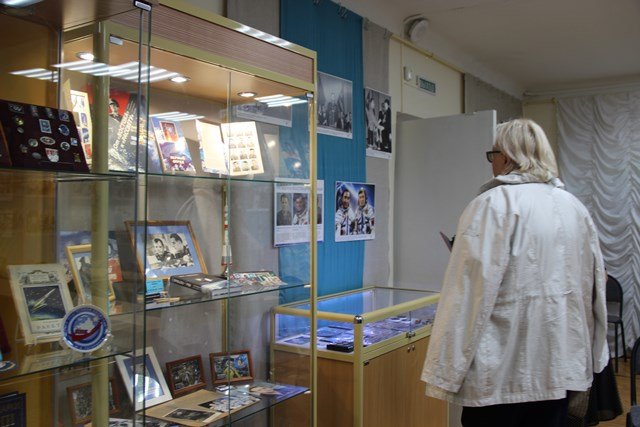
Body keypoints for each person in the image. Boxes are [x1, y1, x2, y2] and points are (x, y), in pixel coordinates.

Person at [421, 118, 608, 427]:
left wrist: (446, 370)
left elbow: (467, 294)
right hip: (559, 362)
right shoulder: (574, 207)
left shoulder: (491, 205)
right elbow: (595, 287)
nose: (491, 163)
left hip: (503, 369)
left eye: (492, 155)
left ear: (506, 157)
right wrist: (595, 354)